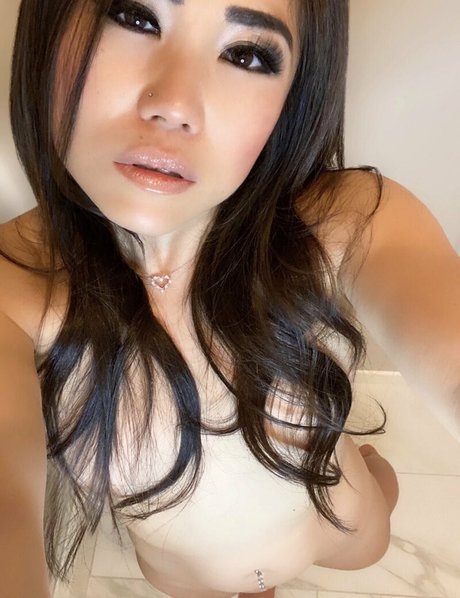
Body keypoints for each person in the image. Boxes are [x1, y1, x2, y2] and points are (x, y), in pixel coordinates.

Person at [0, 1, 458, 597]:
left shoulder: (343, 219)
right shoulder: (15, 289)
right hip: (186, 579)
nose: (175, 106)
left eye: (247, 55)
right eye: (136, 16)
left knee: (378, 495)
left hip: (345, 528)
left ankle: (370, 466)